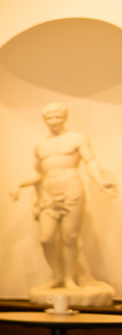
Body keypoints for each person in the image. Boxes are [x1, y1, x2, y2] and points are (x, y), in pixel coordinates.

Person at [11, 101, 117, 298]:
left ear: (65, 117)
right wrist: (19, 184)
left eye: (57, 116)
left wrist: (101, 182)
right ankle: (57, 275)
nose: (53, 121)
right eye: (49, 117)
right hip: (49, 196)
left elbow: (90, 161)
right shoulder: (41, 145)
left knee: (70, 237)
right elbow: (38, 173)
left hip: (71, 190)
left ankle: (69, 278)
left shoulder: (77, 139)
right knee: (46, 238)